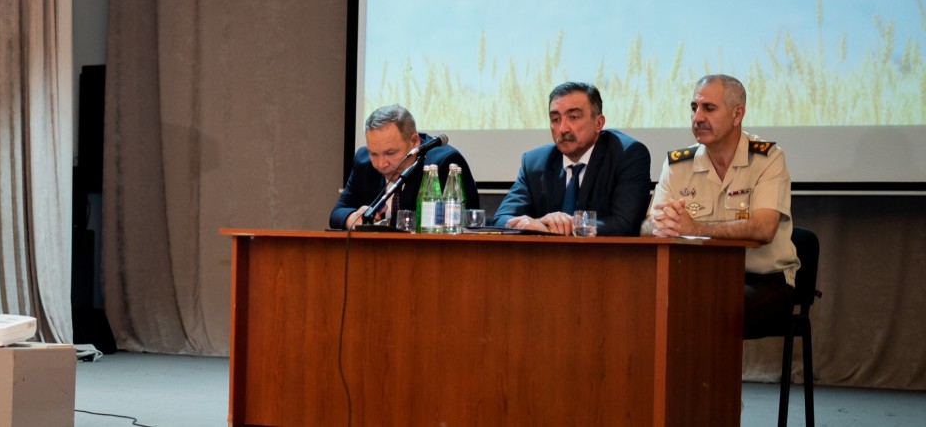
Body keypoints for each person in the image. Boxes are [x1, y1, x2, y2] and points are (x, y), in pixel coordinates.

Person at [642, 74, 799, 338]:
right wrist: (660, 225)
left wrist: (694, 228)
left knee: (709, 309)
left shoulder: (768, 159)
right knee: (644, 303)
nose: (697, 118)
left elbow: (764, 229)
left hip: (763, 280)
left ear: (737, 115)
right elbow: (647, 226)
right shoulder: (678, 164)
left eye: (709, 108)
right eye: (694, 107)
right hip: (698, 278)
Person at [492, 82, 651, 236]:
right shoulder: (535, 163)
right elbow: (501, 219)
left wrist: (564, 227)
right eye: (555, 119)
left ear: (598, 123)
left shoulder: (628, 155)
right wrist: (538, 223)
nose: (563, 129)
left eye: (573, 117)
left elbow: (625, 224)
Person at [329, 104, 480, 230]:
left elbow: (465, 225)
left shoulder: (443, 163)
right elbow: (338, 212)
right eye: (374, 154)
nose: (381, 164)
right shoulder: (363, 162)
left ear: (414, 141)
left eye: (390, 153)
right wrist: (353, 218)